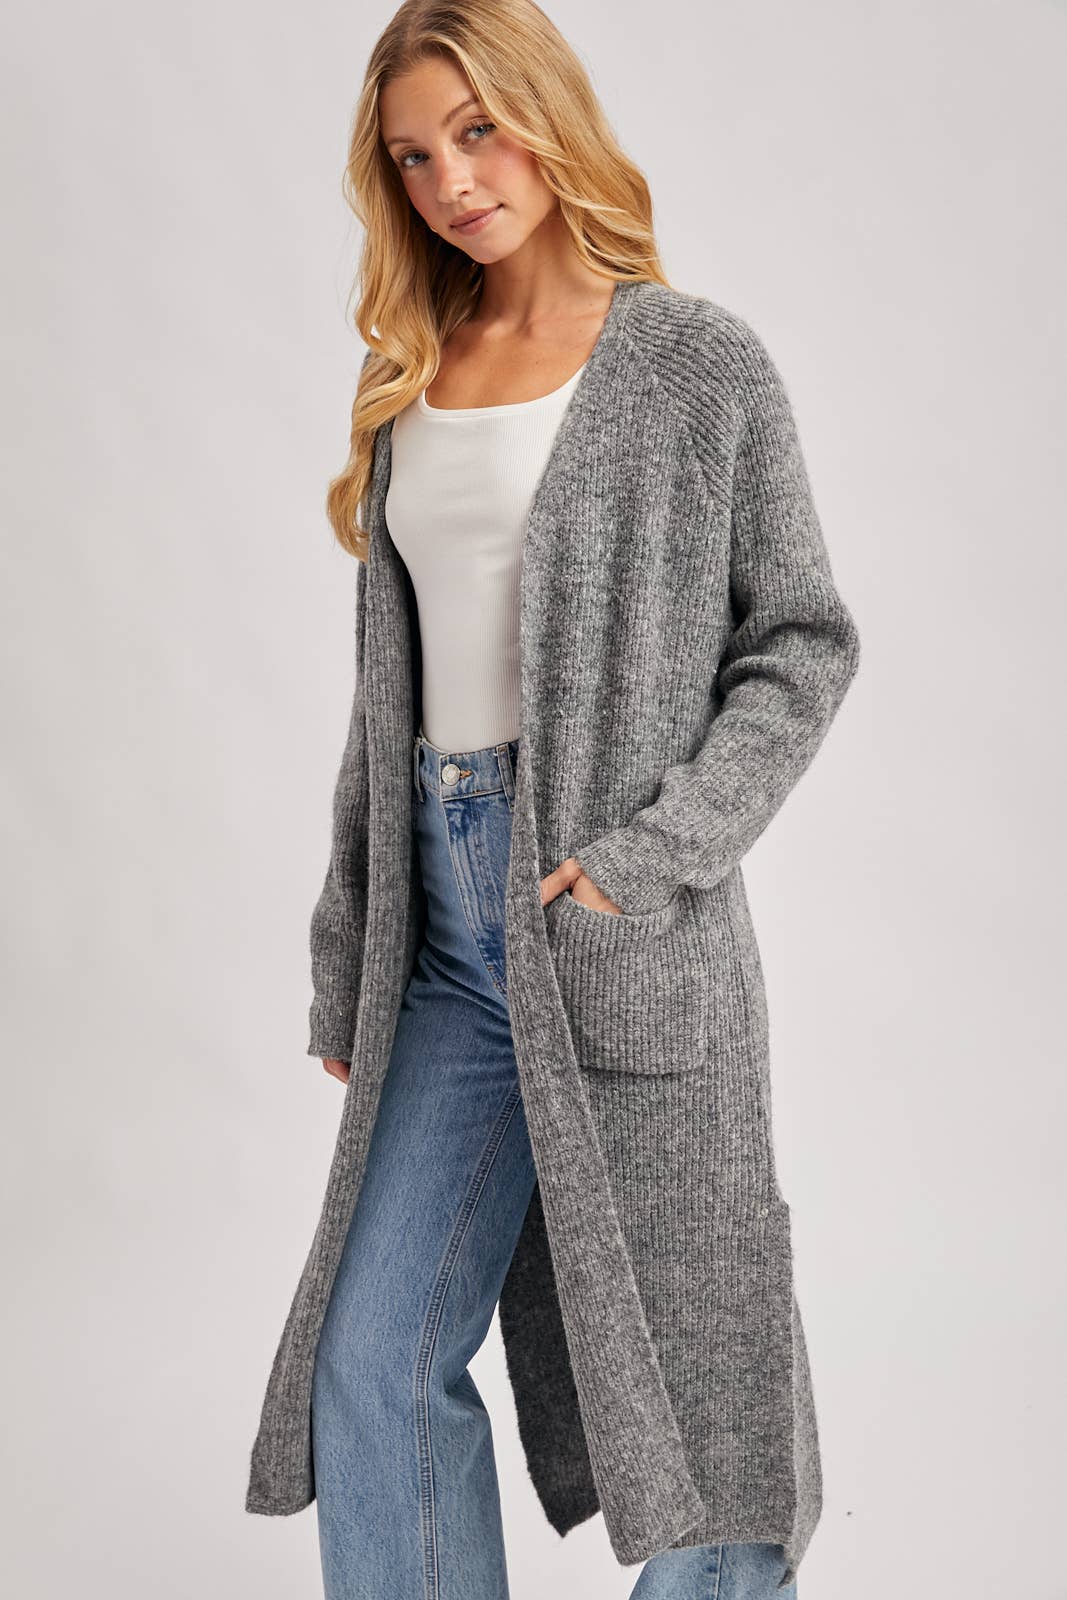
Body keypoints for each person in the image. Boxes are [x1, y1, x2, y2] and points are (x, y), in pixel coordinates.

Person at [245, 2, 862, 1597]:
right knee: (372, 1365)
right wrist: (350, 938)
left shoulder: (693, 364)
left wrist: (652, 857)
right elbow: (388, 704)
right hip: (446, 943)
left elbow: (799, 644)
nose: (452, 180)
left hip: (613, 920)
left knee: (701, 1381)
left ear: (546, 113)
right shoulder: (412, 371)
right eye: (413, 157)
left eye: (478, 131)